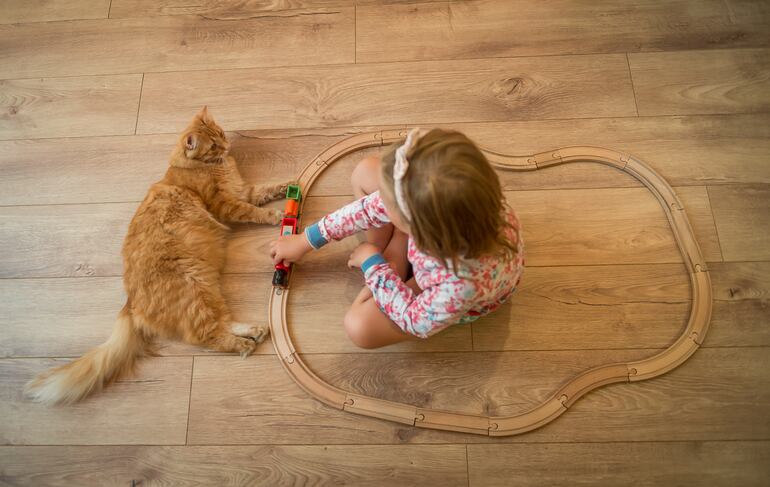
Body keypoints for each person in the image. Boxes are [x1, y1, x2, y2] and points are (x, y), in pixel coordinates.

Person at [270, 128, 524, 348]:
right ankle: (393, 251)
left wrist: (373, 266)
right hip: (430, 248)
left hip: (435, 285)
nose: (378, 203)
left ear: (421, 229)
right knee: (365, 171)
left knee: (359, 327)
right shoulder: (473, 200)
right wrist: (306, 240)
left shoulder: (458, 286)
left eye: (389, 204)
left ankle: (391, 258)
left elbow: (415, 321)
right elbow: (368, 209)